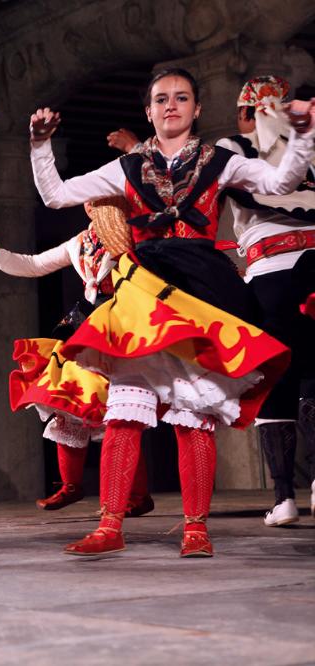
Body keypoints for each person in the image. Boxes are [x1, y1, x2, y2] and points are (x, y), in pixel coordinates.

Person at [28, 68, 314, 557]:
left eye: (181, 98)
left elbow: (280, 180)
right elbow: (56, 195)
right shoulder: (126, 167)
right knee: (124, 409)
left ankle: (195, 530)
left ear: (196, 109)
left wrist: (303, 135)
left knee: (192, 414)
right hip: (144, 288)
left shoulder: (220, 160)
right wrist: (39, 145)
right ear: (149, 111)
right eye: (161, 99)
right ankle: (109, 526)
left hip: (200, 288)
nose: (171, 106)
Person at [0, 200, 153, 517]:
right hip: (86, 328)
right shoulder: (79, 243)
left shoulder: (132, 236)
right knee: (67, 401)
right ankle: (71, 485)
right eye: (88, 201)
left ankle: (137, 494)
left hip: (123, 327)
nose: (91, 205)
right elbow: (34, 264)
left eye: (98, 199)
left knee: (118, 411)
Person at [215, 76, 315, 527]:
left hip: (272, 269)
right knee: (314, 374)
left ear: (245, 113)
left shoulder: (234, 147)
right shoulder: (306, 145)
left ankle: (283, 497)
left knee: (275, 378)